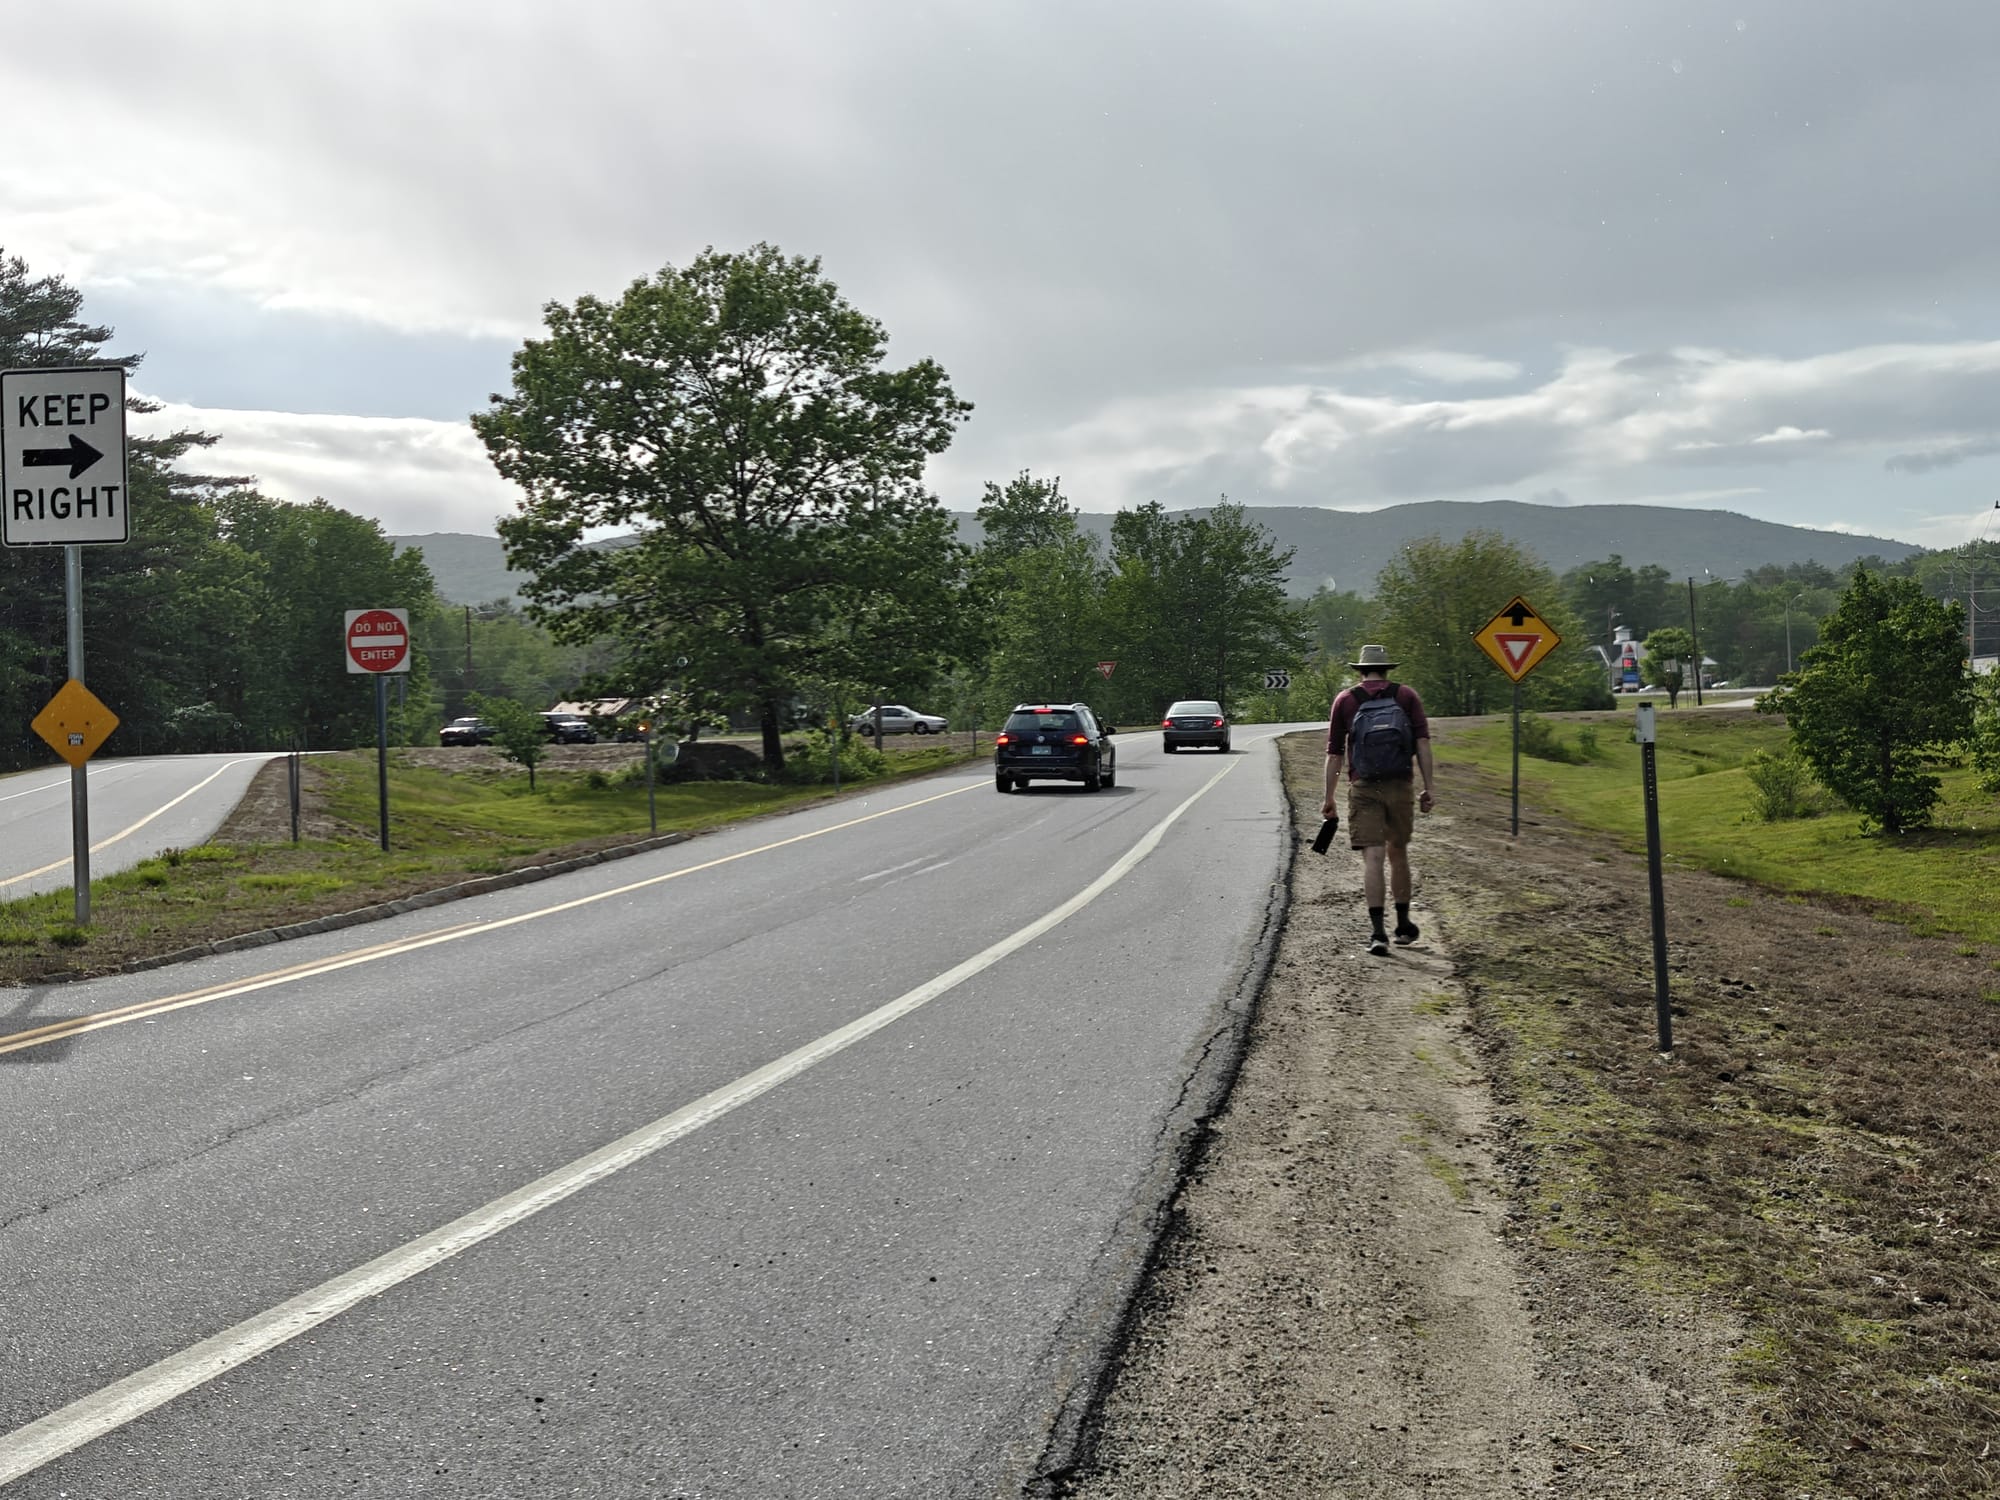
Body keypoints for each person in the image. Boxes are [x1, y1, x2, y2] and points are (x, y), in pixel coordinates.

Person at [1322, 643, 1437, 957]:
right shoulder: (1406, 696)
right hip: (1400, 785)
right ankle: (1403, 926)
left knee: (1373, 858)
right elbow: (1423, 743)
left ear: (1359, 670)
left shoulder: (1346, 700)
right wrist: (1429, 787)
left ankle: (1378, 933)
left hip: (1364, 786)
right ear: (1388, 669)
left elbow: (1334, 754)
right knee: (1397, 852)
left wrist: (1328, 798)